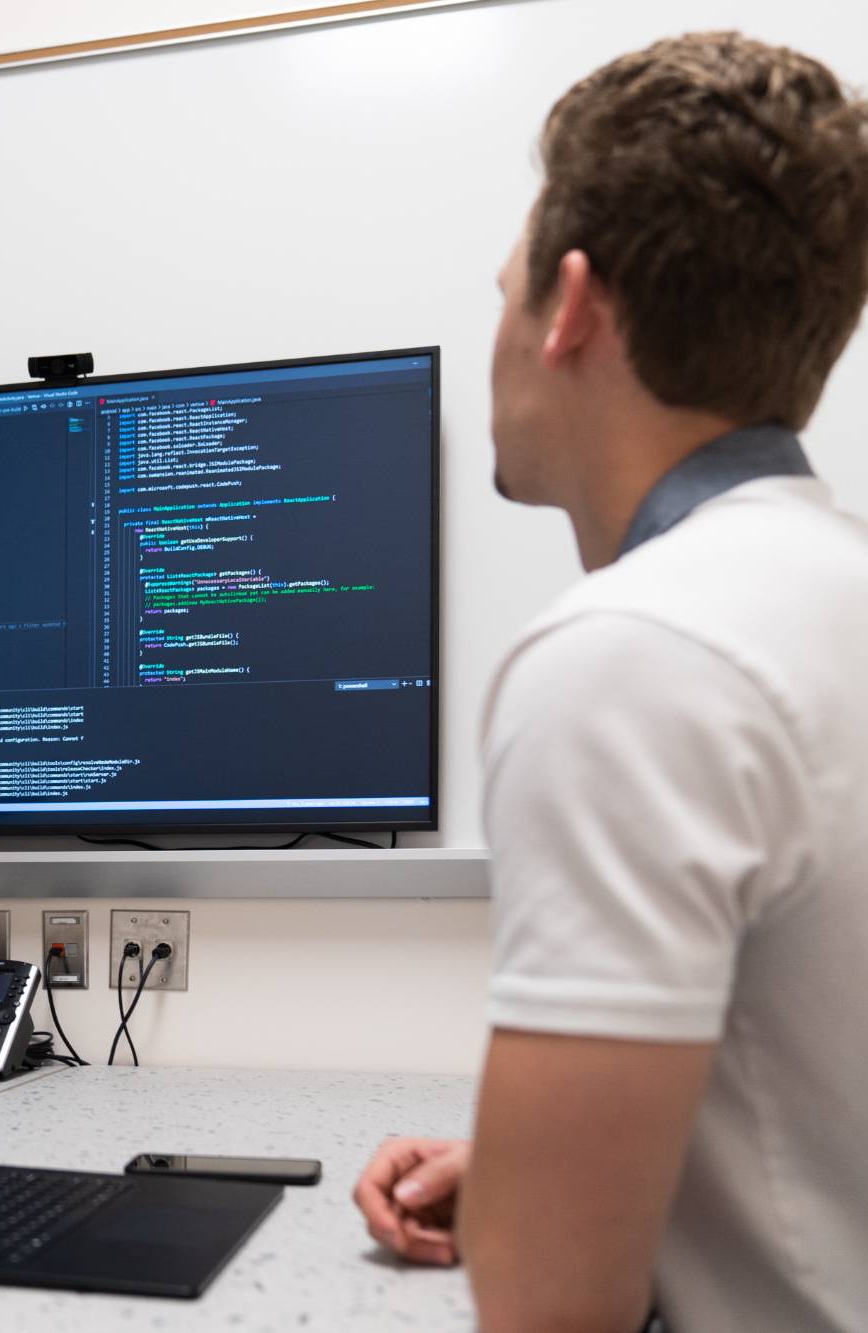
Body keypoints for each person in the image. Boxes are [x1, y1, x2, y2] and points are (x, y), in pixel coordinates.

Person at [350, 32, 868, 1333]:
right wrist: (559, 1176)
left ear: (569, 309)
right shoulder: (826, 593)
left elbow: (549, 1315)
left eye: (506, 290)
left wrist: (540, 1231)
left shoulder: (631, 654)